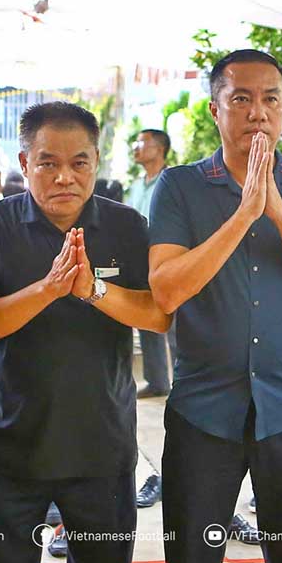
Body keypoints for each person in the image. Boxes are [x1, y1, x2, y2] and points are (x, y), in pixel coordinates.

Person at [149, 49, 282, 563]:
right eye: (241, 99)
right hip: (202, 412)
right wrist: (243, 215)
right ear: (215, 111)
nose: (257, 112)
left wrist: (279, 213)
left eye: (270, 100)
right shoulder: (179, 187)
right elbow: (166, 291)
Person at [0, 101, 171, 563]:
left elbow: (158, 316)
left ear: (96, 162)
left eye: (79, 163)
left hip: (101, 450)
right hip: (8, 448)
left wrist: (93, 289)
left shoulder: (126, 227)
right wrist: (48, 290)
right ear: (24, 164)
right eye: (48, 163)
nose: (64, 178)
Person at [127, 129, 174, 398]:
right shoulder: (136, 184)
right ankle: (157, 381)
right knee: (147, 318)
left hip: (169, 258)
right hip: (141, 259)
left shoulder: (173, 181)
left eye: (141, 143)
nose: (136, 148)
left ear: (159, 149)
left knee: (178, 323)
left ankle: (185, 382)